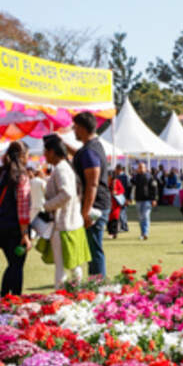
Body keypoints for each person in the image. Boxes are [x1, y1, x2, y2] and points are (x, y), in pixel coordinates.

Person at [41, 134, 90, 288]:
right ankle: (77, 293)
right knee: (74, 265)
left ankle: (61, 297)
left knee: (62, 267)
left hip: (63, 225)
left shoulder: (61, 169)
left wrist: (47, 205)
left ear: (53, 152)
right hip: (72, 223)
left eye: (46, 151)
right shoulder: (65, 167)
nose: (44, 155)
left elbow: (67, 193)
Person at [70, 112, 110, 278]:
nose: (73, 130)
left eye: (75, 127)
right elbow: (80, 156)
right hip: (97, 202)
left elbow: (92, 183)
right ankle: (96, 281)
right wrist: (64, 146)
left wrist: (86, 211)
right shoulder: (92, 147)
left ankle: (97, 284)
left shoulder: (89, 151)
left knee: (94, 249)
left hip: (95, 205)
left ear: (82, 128)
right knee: (92, 248)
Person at [0, 141, 33, 296]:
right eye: (27, 155)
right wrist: (25, 234)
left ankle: (4, 297)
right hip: (15, 227)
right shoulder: (21, 175)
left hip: (0, 225)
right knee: (17, 266)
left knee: (12, 264)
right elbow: (23, 206)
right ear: (22, 156)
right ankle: (13, 297)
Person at [131, 161, 159, 240]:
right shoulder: (136, 177)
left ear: (145, 168)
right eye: (139, 167)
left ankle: (145, 233)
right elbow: (131, 183)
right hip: (138, 200)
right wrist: (134, 174)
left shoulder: (149, 177)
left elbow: (154, 188)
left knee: (146, 216)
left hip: (147, 200)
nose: (140, 169)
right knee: (140, 217)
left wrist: (154, 199)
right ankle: (142, 233)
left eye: (142, 167)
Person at [108, 173, 125, 239]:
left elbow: (122, 190)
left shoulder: (117, 182)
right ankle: (110, 233)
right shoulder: (106, 182)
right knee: (109, 219)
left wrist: (116, 192)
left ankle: (114, 233)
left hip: (116, 203)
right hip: (108, 202)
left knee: (115, 219)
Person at [115, 165, 131, 233]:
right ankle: (122, 226)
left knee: (122, 213)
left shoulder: (125, 177)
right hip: (118, 197)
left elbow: (129, 188)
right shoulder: (117, 177)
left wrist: (128, 198)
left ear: (119, 169)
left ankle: (124, 227)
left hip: (123, 197)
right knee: (120, 212)